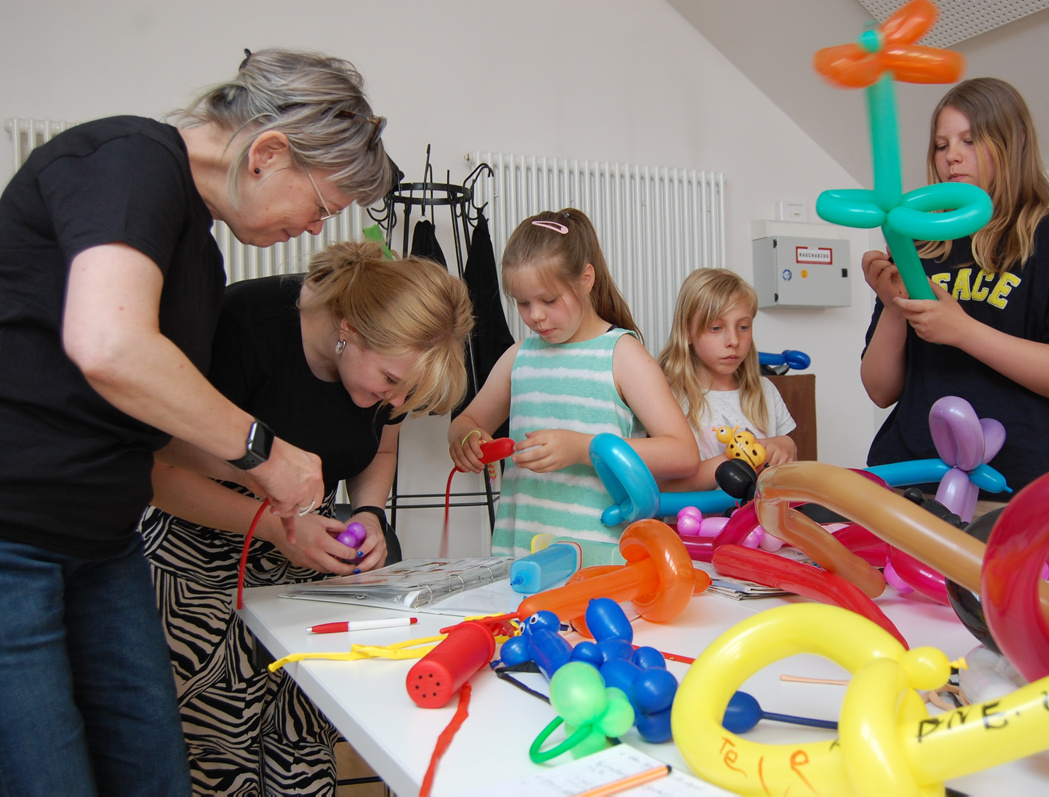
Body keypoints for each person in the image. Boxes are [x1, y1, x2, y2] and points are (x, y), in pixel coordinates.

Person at [0, 48, 392, 795]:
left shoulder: (200, 254)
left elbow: (159, 431)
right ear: (268, 153)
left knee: (156, 772)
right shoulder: (130, 158)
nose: (315, 226)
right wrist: (263, 452)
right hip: (14, 535)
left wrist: (280, 516)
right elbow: (110, 345)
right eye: (321, 204)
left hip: (102, 540)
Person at [140, 240, 473, 794]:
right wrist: (270, 524)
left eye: (407, 395)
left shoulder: (393, 372)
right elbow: (159, 470)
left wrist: (367, 511)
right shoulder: (243, 325)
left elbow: (380, 450)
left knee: (304, 738)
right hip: (197, 564)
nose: (389, 401)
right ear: (349, 329)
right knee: (221, 746)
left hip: (304, 558)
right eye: (390, 382)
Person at [860, 77, 1049, 501]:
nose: (952, 157)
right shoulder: (917, 244)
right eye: (942, 145)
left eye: (970, 140)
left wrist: (962, 330)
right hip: (912, 482)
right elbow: (880, 390)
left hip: (1022, 489)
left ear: (1012, 142)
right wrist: (893, 306)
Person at [448, 208, 699, 555]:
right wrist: (468, 438)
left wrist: (584, 448)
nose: (535, 315)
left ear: (586, 279)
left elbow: (684, 454)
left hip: (602, 560)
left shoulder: (623, 355)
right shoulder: (519, 357)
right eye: (523, 303)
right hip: (519, 556)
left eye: (549, 300)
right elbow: (468, 421)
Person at [657, 268, 797, 491]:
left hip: (758, 522)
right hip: (695, 524)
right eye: (716, 328)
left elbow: (787, 458)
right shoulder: (666, 396)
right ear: (687, 333)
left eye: (743, 327)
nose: (733, 340)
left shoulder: (765, 390)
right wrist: (732, 464)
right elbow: (664, 486)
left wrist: (785, 446)